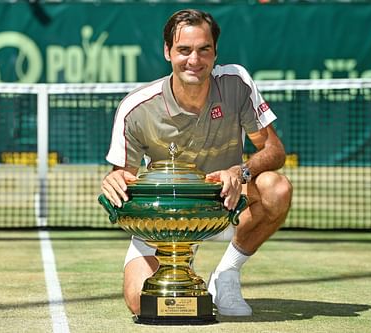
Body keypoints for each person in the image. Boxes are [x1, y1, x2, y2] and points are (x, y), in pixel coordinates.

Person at [101, 8, 292, 317]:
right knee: (143, 302)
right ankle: (178, 267)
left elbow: (274, 150)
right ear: (167, 52)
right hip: (165, 221)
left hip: (224, 207)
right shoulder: (135, 108)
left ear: (215, 52)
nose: (195, 60)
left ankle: (227, 274)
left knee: (276, 188)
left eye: (204, 49)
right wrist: (114, 179)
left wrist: (238, 171)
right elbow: (124, 176)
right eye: (184, 50)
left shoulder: (236, 83)